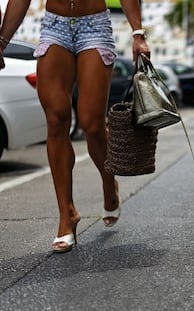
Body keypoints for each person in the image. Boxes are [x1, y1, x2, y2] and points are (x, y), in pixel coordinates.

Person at [0, 0, 150, 253]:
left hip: (94, 27)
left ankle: (108, 182)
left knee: (92, 124)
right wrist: (2, 42)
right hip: (54, 27)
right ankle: (66, 214)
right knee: (56, 120)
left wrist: (138, 33)